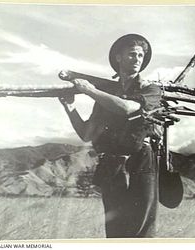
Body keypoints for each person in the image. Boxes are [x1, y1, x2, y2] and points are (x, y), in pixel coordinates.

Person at [59, 34, 162, 238]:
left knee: (140, 230)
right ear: (118, 58)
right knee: (115, 231)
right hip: (112, 166)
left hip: (141, 163)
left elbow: (126, 108)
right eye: (132, 54)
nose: (137, 59)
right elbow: (86, 134)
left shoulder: (151, 90)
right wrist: (70, 107)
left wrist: (89, 89)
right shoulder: (104, 97)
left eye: (141, 55)